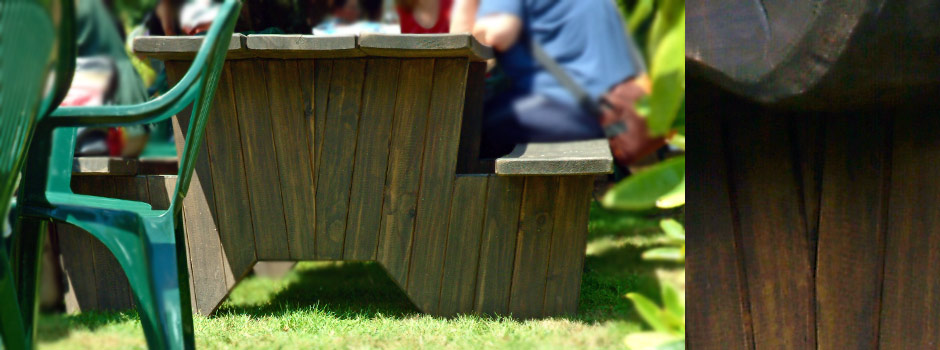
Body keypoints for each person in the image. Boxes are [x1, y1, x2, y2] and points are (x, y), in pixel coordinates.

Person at [470, 0, 648, 158]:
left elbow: (498, 34)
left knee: (466, 128)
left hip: (566, 109)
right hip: (613, 111)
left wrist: (470, 12)